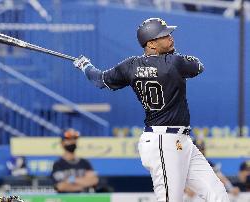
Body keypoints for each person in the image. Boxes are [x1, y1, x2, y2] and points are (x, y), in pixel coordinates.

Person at [72, 17, 229, 201]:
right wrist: (172, 54)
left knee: (217, 193)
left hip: (179, 141)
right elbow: (198, 66)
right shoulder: (174, 62)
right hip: (163, 141)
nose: (170, 38)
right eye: (164, 35)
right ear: (151, 44)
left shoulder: (131, 66)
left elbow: (100, 79)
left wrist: (85, 66)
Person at [51, 128, 99, 193]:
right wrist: (82, 185)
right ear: (62, 143)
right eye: (69, 139)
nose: (72, 141)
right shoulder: (58, 164)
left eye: (74, 138)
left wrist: (72, 179)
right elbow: (60, 186)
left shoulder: (84, 162)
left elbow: (94, 180)